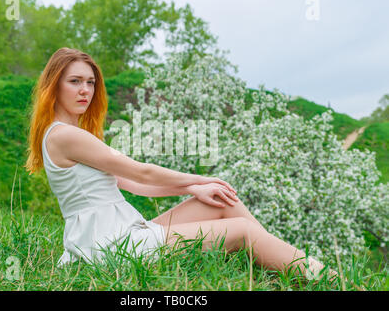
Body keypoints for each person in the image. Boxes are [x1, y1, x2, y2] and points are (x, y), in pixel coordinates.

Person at [25, 47, 338, 282]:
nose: (85, 90)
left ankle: (283, 262)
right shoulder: (65, 136)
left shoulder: (72, 135)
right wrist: (201, 178)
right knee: (241, 229)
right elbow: (141, 170)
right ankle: (332, 283)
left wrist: (195, 189)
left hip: (117, 235)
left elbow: (135, 185)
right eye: (75, 81)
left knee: (221, 200)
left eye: (90, 82)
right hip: (111, 245)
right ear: (54, 85)